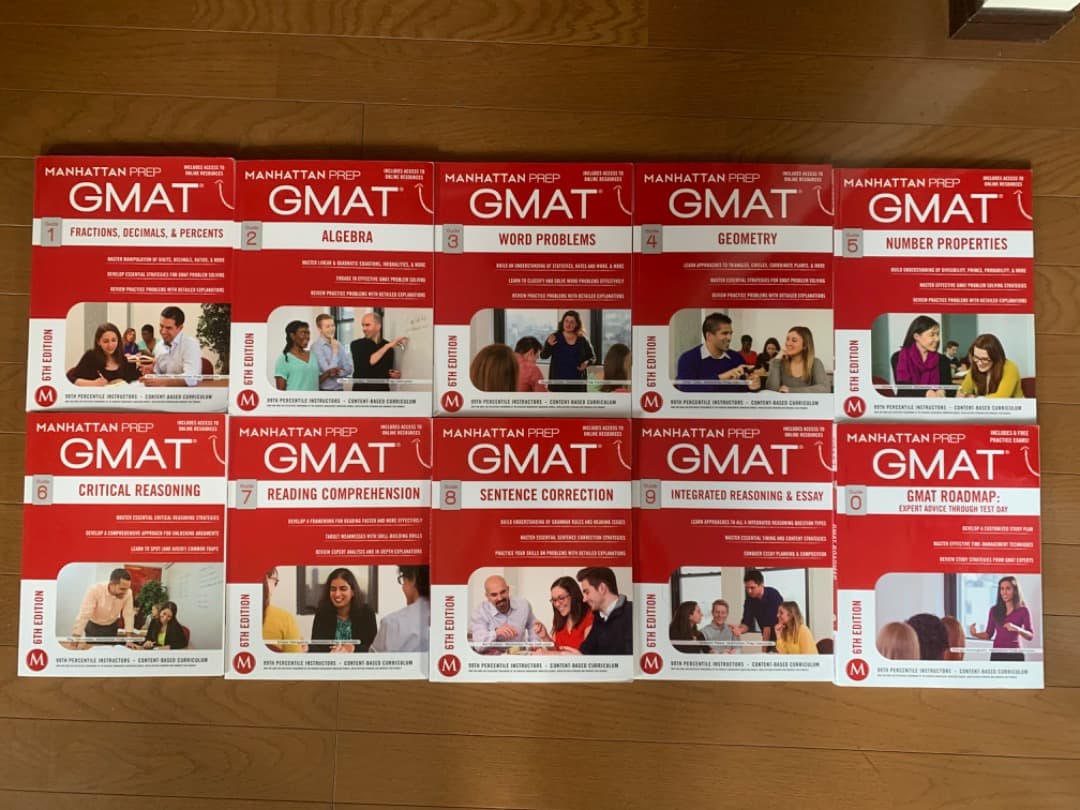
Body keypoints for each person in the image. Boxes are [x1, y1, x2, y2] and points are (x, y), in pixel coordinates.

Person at [675, 312, 760, 393]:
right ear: (709, 336)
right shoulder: (688, 359)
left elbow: (744, 390)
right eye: (724, 333)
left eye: (730, 333)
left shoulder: (737, 358)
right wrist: (721, 378)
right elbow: (685, 389)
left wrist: (753, 386)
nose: (729, 338)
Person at [310, 568, 377, 653]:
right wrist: (307, 648)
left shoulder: (366, 613)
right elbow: (316, 647)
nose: (337, 594)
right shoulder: (322, 613)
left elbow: (373, 649)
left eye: (343, 589)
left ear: (352, 592)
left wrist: (354, 649)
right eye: (333, 589)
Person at [969, 575, 1034, 661]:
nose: (1004, 592)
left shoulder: (1023, 610)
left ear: (1015, 591)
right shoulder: (994, 610)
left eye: (1008, 588)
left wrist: (1017, 629)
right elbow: (988, 634)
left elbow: (1030, 636)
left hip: (1015, 654)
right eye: (1002, 589)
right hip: (997, 654)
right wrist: (975, 634)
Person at [469, 575, 540, 650]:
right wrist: (496, 633)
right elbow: (479, 646)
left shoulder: (523, 605)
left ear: (508, 590)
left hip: (520, 654)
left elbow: (532, 626)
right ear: (487, 596)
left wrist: (534, 643)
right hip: (493, 656)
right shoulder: (480, 612)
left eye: (503, 592)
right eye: (494, 595)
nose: (500, 598)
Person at [371, 566, 431, 653]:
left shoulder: (392, 622)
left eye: (403, 580)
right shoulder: (448, 617)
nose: (403, 587)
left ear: (413, 579)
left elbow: (374, 659)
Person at [575, 567, 633, 655]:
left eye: (587, 592)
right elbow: (585, 652)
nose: (584, 599)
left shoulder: (633, 613)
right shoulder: (598, 618)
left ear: (602, 588)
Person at [142, 306, 204, 387]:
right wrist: (151, 372)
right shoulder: (159, 346)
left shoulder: (191, 345)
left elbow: (192, 378)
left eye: (168, 328)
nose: (163, 332)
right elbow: (158, 373)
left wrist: (162, 382)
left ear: (180, 328)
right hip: (163, 392)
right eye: (161, 326)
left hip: (185, 393)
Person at [70, 568, 135, 645]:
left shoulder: (128, 593)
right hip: (93, 627)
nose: (125, 592)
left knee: (110, 651)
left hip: (112, 627)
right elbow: (84, 615)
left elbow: (128, 615)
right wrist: (75, 639)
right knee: (93, 650)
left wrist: (129, 640)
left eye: (127, 589)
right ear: (111, 584)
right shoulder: (95, 590)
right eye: (122, 589)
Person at [893, 315, 951, 398]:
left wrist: (943, 391)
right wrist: (926, 393)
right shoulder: (898, 357)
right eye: (932, 335)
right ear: (917, 336)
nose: (937, 339)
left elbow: (948, 387)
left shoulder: (943, 360)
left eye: (938, 334)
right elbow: (903, 389)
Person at [67, 322, 141, 386]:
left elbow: (132, 378)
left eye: (114, 340)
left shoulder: (122, 358)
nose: (110, 345)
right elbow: (71, 378)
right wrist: (94, 383)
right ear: (98, 342)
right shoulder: (90, 356)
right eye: (106, 341)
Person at [533, 576, 593, 652]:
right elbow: (556, 651)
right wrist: (545, 637)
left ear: (573, 596)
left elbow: (589, 655)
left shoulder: (589, 616)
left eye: (561, 598)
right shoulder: (558, 620)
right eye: (554, 600)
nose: (557, 604)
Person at [539, 310, 594, 392]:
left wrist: (586, 363)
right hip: (558, 384)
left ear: (577, 324)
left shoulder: (583, 339)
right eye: (566, 321)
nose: (568, 324)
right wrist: (548, 345)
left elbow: (592, 357)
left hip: (578, 384)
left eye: (572, 322)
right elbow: (543, 356)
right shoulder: (554, 337)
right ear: (562, 322)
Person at [350, 311, 405, 391]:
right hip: (362, 394)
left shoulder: (388, 347)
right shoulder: (356, 345)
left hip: (382, 393)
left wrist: (392, 374)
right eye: (363, 325)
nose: (364, 329)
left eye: (367, 325)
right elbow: (368, 364)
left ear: (378, 326)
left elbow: (384, 372)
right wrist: (387, 346)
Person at [957, 334, 1024, 399]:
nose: (979, 363)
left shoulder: (1010, 367)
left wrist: (975, 398)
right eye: (976, 357)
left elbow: (1001, 397)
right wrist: (961, 394)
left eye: (985, 359)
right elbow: (964, 390)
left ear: (995, 357)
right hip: (983, 406)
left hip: (1012, 406)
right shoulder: (974, 367)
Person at [765, 326, 829, 393]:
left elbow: (824, 388)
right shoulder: (779, 363)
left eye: (794, 340)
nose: (788, 343)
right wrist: (776, 360)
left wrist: (791, 390)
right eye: (787, 339)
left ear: (804, 345)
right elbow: (771, 391)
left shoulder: (815, 363)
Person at [734, 569, 783, 650]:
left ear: (762, 585)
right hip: (768, 638)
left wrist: (763, 651)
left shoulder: (773, 595)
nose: (749, 591)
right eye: (747, 588)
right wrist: (739, 630)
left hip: (782, 637)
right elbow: (746, 623)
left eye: (752, 588)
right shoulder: (749, 600)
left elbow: (767, 628)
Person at [262, 567, 305, 653]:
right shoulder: (285, 618)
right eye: (275, 582)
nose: (275, 587)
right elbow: (295, 659)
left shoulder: (237, 615)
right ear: (265, 579)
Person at [311, 313, 353, 391]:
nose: (331, 329)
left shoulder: (339, 344)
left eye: (333, 325)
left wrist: (337, 372)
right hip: (325, 391)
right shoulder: (316, 347)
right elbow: (328, 371)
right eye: (327, 326)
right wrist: (335, 352)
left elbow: (349, 368)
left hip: (340, 390)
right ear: (319, 329)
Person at [274, 320, 319, 391]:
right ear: (292, 336)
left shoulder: (313, 356)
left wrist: (327, 373)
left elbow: (313, 381)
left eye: (308, 333)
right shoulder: (283, 359)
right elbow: (280, 390)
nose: (307, 337)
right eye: (303, 333)